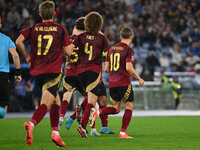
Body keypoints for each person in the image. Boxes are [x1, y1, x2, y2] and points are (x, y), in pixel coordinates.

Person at [15, 1, 71, 147]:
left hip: (37, 71)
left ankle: (55, 134)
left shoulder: (33, 28)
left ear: (40, 14)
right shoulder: (60, 29)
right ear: (54, 14)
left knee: (56, 101)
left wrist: (27, 56)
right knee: (45, 104)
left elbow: (18, 41)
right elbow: (68, 51)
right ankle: (31, 124)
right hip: (52, 71)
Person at [58, 17, 114, 136]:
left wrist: (67, 59)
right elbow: (106, 54)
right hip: (93, 72)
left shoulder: (79, 37)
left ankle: (75, 118)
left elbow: (68, 50)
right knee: (92, 101)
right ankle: (83, 126)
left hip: (79, 72)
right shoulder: (102, 38)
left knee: (96, 100)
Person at [90, 27, 144, 139]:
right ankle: (123, 133)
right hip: (123, 82)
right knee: (129, 106)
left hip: (112, 83)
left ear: (120, 37)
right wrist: (139, 78)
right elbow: (129, 67)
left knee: (116, 108)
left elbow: (106, 68)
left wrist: (116, 70)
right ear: (131, 37)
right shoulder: (128, 50)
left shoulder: (111, 49)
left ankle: (97, 111)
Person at [0, 17, 21, 119]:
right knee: (3, 109)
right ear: (0, 25)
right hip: (3, 76)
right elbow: (15, 55)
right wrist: (17, 73)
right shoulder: (7, 40)